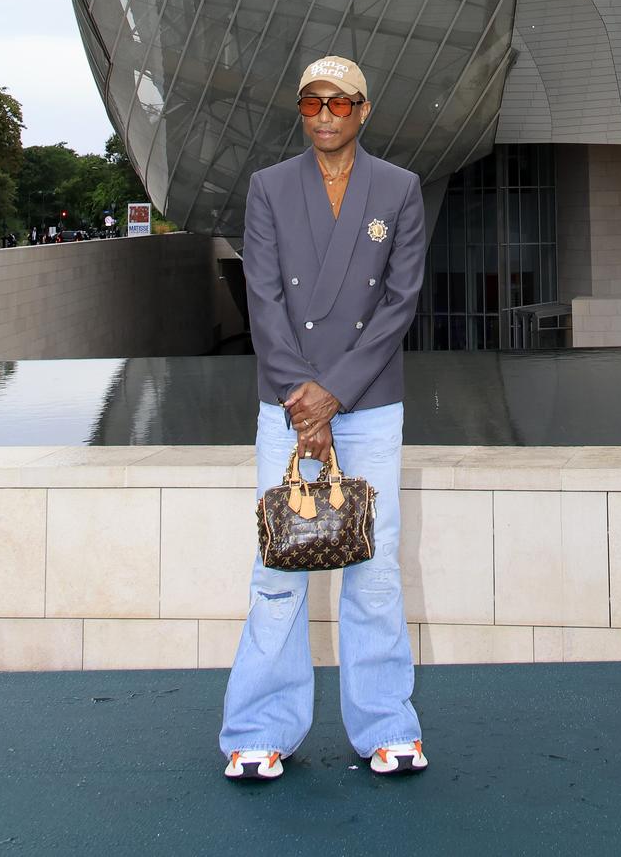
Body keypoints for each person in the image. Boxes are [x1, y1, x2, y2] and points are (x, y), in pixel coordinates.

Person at [220, 54, 427, 785]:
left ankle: (386, 725)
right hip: (287, 402)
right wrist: (302, 399)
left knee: (373, 568)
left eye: (340, 103)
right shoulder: (269, 188)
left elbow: (398, 303)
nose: (327, 115)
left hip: (367, 403)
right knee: (278, 567)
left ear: (364, 110)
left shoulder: (399, 189)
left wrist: (333, 393)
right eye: (313, 103)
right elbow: (264, 299)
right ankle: (257, 728)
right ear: (301, 112)